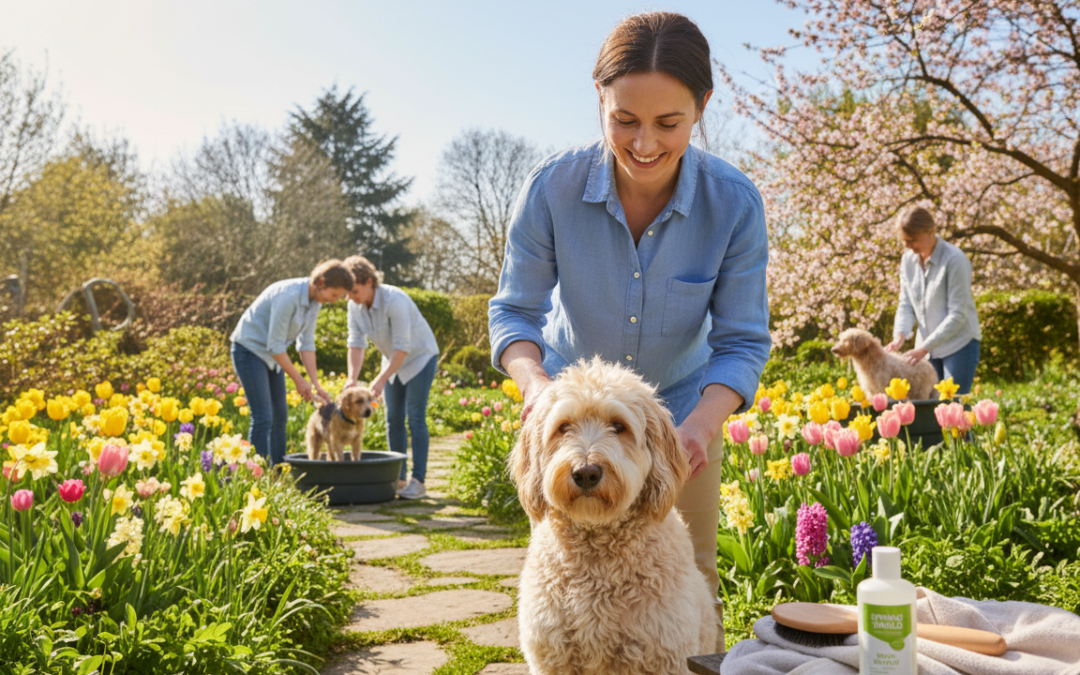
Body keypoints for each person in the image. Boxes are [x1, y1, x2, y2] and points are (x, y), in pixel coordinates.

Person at [487, 11, 771, 650]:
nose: (644, 143)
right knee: (564, 591)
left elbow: (743, 341)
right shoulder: (550, 191)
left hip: (682, 419)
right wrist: (536, 388)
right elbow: (513, 311)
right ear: (599, 100)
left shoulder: (734, 204)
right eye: (624, 120)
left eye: (668, 123)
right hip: (565, 410)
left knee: (687, 592)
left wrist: (700, 423)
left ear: (701, 107)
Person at [230, 260, 354, 465]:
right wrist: (298, 379)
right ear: (321, 282)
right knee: (263, 417)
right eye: (334, 295)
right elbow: (275, 345)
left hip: (271, 355)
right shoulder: (287, 296)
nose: (334, 301)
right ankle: (255, 476)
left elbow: (306, 343)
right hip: (249, 351)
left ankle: (278, 472)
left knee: (280, 416)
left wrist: (315, 384)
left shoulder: (315, 302)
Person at [343, 255, 440, 500]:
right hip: (393, 360)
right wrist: (352, 379)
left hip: (419, 357)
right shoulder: (354, 306)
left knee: (415, 416)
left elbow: (403, 346)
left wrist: (382, 378)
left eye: (354, 290)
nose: (350, 296)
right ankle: (398, 478)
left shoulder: (394, 300)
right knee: (392, 418)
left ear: (369, 282)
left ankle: (418, 481)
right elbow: (355, 343)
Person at [885, 206, 981, 395]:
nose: (908, 246)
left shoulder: (955, 260)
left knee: (954, 410)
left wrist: (923, 348)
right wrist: (900, 335)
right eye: (904, 241)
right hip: (926, 349)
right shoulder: (908, 261)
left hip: (959, 344)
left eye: (912, 240)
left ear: (930, 231)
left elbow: (957, 314)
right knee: (928, 409)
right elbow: (906, 303)